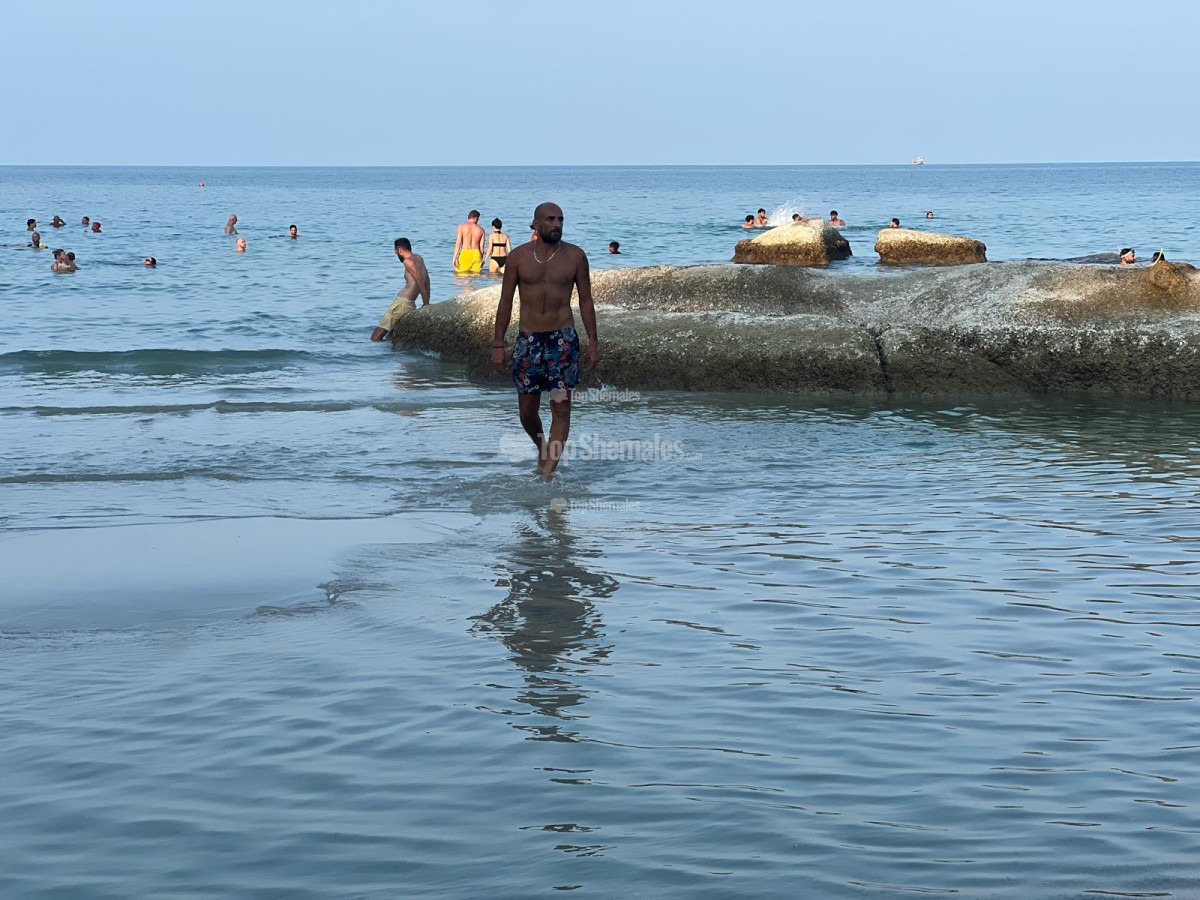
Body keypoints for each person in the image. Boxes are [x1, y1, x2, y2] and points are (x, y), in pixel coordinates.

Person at [492, 202, 599, 482]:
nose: (557, 224)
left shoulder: (575, 256)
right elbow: (505, 302)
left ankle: (548, 474)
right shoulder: (517, 257)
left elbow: (586, 301)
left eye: (560, 219)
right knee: (527, 412)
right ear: (535, 225)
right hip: (528, 341)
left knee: (560, 408)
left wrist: (593, 342)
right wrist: (498, 344)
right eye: (551, 219)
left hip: (562, 341)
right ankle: (542, 447)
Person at [371, 237, 431, 341]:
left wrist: (426, 304)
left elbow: (419, 282)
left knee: (377, 333)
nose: (397, 255)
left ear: (399, 250)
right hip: (410, 304)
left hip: (402, 304)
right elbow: (427, 280)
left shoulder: (408, 262)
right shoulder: (419, 259)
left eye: (396, 253)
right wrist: (427, 301)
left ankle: (370, 350)